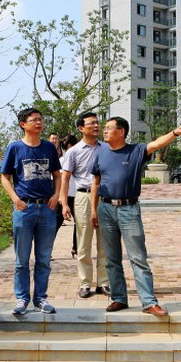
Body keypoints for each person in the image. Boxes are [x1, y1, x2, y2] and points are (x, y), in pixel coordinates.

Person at [91, 117, 181, 316]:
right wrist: (94, 210)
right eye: (105, 128)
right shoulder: (101, 152)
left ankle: (148, 302)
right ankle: (119, 298)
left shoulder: (136, 151)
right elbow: (96, 182)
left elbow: (157, 144)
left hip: (129, 209)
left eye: (109, 128)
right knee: (111, 258)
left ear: (121, 132)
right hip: (105, 209)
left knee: (138, 258)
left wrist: (174, 133)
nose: (104, 131)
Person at [1, 108, 62, 315]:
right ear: (23, 124)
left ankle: (40, 298)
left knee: (44, 258)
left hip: (46, 209)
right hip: (24, 209)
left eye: (40, 119)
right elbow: (4, 177)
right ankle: (22, 299)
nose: (38, 123)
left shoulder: (49, 147)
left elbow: (57, 175)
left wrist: (56, 195)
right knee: (22, 260)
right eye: (34, 120)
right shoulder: (15, 148)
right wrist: (15, 199)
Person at [60, 112, 109, 299]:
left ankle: (104, 283)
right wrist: (64, 203)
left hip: (105, 198)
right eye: (92, 123)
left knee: (105, 242)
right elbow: (65, 179)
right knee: (83, 242)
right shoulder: (73, 152)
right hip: (83, 197)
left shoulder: (106, 148)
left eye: (97, 123)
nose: (96, 126)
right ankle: (85, 283)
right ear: (81, 128)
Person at [59, 134, 79, 258]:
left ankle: (76, 248)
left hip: (66, 196)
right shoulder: (68, 159)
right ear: (71, 146)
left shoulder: (61, 160)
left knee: (55, 224)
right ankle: (75, 248)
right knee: (79, 223)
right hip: (72, 195)